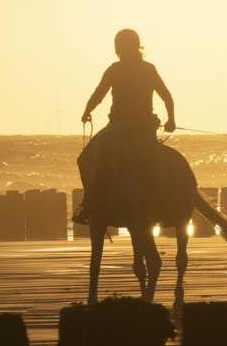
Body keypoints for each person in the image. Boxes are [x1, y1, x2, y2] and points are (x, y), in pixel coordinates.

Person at [72, 29, 175, 222]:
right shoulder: (148, 69)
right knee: (155, 162)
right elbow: (167, 96)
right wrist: (171, 120)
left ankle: (89, 205)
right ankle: (168, 204)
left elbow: (98, 94)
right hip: (145, 128)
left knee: (84, 159)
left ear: (117, 49)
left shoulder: (115, 70)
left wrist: (87, 111)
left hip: (118, 128)